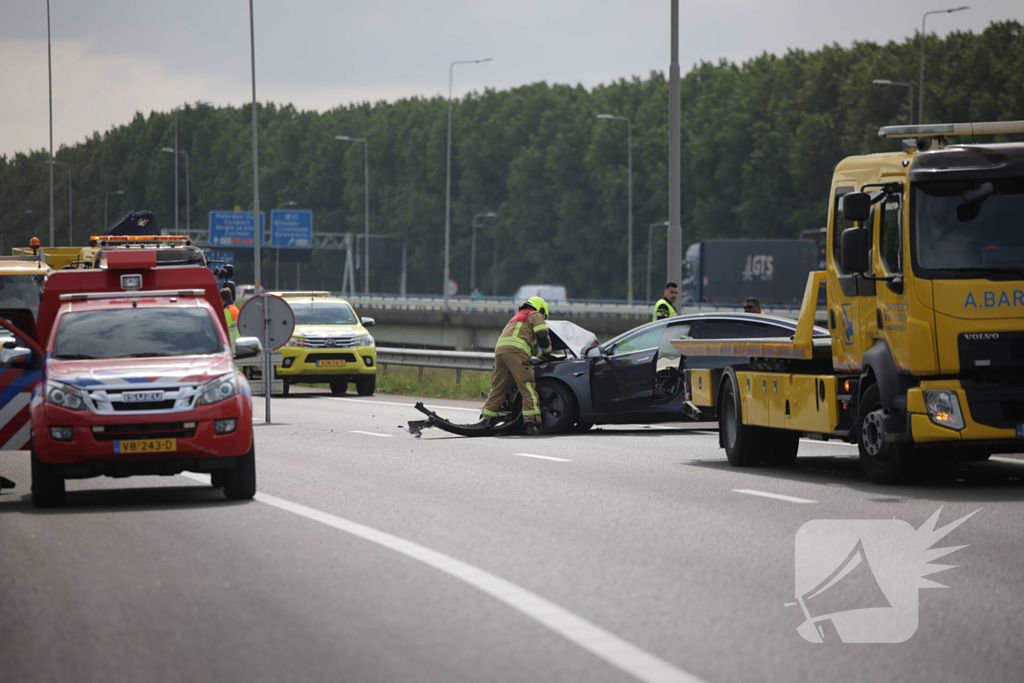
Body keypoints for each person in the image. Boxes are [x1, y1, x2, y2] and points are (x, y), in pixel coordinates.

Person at [479, 296, 553, 435]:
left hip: (501, 352)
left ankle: (486, 420)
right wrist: (548, 352)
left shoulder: (516, 318)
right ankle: (532, 423)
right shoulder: (535, 315)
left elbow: (532, 348)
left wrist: (544, 356)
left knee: (498, 390)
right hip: (516, 353)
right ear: (541, 310)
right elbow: (543, 336)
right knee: (528, 388)